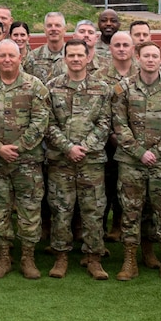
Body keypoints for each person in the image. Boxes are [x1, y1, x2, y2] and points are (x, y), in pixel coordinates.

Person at [113, 41, 161, 283]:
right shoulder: (123, 88)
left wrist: (158, 151)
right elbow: (119, 125)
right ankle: (130, 260)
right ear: (138, 57)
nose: (151, 60)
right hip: (131, 162)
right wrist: (139, 152)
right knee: (130, 211)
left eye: (155, 56)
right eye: (146, 56)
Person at [0, 39, 50, 280]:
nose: (7, 59)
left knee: (30, 211)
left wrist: (18, 147)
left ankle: (28, 257)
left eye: (12, 55)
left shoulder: (35, 86)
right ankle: (3, 257)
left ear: (20, 57)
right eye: (2, 55)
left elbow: (41, 122)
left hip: (27, 162)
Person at [46, 39, 113, 280]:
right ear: (64, 58)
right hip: (61, 161)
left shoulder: (102, 88)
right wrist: (67, 148)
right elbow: (48, 123)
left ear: (88, 58)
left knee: (93, 210)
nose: (75, 59)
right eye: (71, 55)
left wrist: (84, 147)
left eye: (79, 55)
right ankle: (61, 257)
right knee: (61, 210)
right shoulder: (52, 88)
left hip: (91, 161)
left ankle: (94, 258)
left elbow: (105, 123)